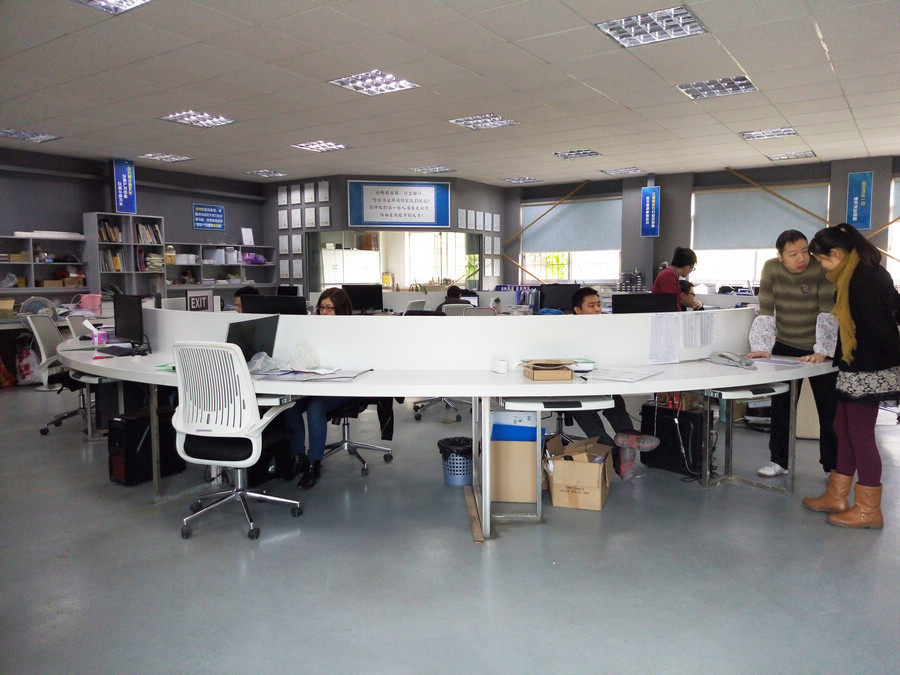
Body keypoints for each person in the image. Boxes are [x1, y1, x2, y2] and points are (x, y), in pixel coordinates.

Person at [801, 223, 900, 529]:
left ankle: (869, 510)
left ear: (837, 253)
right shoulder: (852, 274)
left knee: (860, 435)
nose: (822, 266)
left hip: (870, 368)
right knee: (841, 428)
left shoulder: (864, 278)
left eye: (822, 259)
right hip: (853, 364)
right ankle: (836, 495)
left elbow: (880, 327)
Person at [745, 229, 838, 478]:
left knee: (829, 410)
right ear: (780, 256)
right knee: (782, 408)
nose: (801, 258)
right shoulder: (771, 268)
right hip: (785, 346)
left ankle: (833, 466)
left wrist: (822, 350)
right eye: (793, 253)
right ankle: (778, 461)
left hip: (818, 348)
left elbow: (827, 310)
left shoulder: (820, 268)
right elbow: (766, 309)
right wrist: (761, 347)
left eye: (805, 251)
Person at [569, 287, 659, 479]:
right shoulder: (567, 329)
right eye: (591, 306)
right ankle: (615, 453)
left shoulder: (607, 326)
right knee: (583, 410)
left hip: (600, 376)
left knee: (615, 399)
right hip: (574, 382)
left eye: (598, 305)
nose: (597, 309)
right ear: (577, 310)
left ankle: (628, 435)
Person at [283, 287, 355, 488]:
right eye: (321, 308)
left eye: (329, 308)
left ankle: (314, 463)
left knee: (315, 407)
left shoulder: (352, 331)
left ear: (340, 309)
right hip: (315, 381)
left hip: (342, 385)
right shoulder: (312, 329)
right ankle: (298, 457)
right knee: (289, 407)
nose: (324, 312)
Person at [651, 247, 697, 311]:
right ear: (687, 266)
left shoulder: (673, 274)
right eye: (692, 268)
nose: (691, 270)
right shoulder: (668, 275)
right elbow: (670, 303)